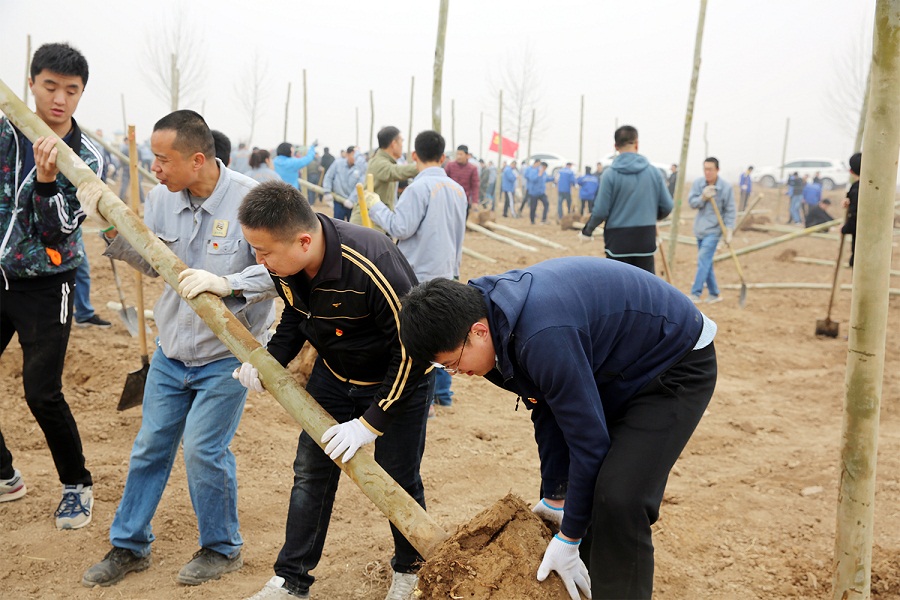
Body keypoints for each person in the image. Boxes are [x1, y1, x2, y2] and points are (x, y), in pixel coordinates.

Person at [397, 257, 718, 600]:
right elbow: (545, 406)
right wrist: (555, 493)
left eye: (452, 364)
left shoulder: (541, 337)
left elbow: (589, 444)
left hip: (673, 361)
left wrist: (569, 537)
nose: (456, 373)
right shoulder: (492, 327)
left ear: (478, 332)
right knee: (581, 495)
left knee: (619, 497)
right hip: (613, 365)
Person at [78, 110, 276, 587]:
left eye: (163, 160)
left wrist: (229, 283)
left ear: (197, 159)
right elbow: (152, 263)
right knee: (150, 446)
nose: (156, 168)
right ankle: (129, 545)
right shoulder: (160, 199)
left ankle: (221, 548)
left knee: (204, 449)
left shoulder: (254, 202)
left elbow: (280, 271)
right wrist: (109, 228)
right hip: (171, 352)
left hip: (226, 355)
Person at [233, 181, 431, 600]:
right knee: (311, 472)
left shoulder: (373, 262)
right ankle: (291, 580)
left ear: (303, 241)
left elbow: (411, 352)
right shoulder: (287, 267)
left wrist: (371, 422)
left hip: (396, 381)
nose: (258, 261)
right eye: (254, 250)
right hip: (334, 375)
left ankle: (410, 571)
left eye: (264, 252)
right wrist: (267, 361)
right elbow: (295, 317)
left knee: (398, 478)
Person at [0, 42, 101, 527]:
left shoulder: (85, 158)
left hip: (47, 283)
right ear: (32, 84)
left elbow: (58, 230)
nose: (59, 99)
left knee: (42, 392)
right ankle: (5, 475)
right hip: (0, 274)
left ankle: (77, 484)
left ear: (81, 94)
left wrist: (45, 181)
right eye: (50, 87)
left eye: (71, 90)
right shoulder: (5, 133)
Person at [366, 129, 467, 413]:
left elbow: (400, 227)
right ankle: (443, 394)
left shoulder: (417, 189)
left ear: (414, 155)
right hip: (446, 271)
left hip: (417, 274)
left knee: (418, 337)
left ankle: (426, 400)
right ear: (443, 157)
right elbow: (459, 235)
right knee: (445, 332)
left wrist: (375, 206)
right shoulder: (457, 190)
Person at [580, 126, 673, 273]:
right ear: (637, 144)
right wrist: (651, 217)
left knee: (619, 284)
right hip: (645, 239)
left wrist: (588, 230)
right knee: (645, 284)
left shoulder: (609, 175)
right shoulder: (653, 172)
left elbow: (601, 211)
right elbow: (667, 206)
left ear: (616, 146)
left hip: (618, 242)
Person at [688, 157, 736, 304]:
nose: (707, 172)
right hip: (700, 229)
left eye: (710, 169)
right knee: (706, 263)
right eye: (705, 169)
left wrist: (729, 229)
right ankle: (714, 293)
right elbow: (692, 203)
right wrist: (702, 197)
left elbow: (730, 210)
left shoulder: (725, 188)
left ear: (717, 170)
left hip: (714, 231)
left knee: (703, 259)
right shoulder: (698, 184)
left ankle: (695, 293)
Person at [355, 126, 418, 230]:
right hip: (367, 222)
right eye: (401, 142)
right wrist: (422, 166)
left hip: (378, 220)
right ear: (394, 144)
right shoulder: (379, 162)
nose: (402, 146)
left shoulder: (385, 161)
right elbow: (395, 171)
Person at [322, 145, 367, 221]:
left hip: (352, 203)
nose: (355, 158)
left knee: (352, 224)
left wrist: (352, 199)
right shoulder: (337, 163)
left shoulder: (360, 167)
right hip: (338, 200)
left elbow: (361, 184)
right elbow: (328, 176)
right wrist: (327, 191)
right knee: (338, 223)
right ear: (347, 154)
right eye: (353, 155)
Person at [444, 144, 479, 214]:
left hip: (464, 200)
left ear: (467, 155)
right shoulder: (450, 166)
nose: (458, 156)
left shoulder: (472, 168)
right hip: (450, 200)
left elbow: (475, 186)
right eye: (457, 154)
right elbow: (444, 180)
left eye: (461, 154)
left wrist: (475, 202)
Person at [842, 152, 862, 267]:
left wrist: (845, 228)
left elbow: (856, 216)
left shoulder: (857, 189)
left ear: (851, 171)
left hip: (861, 240)